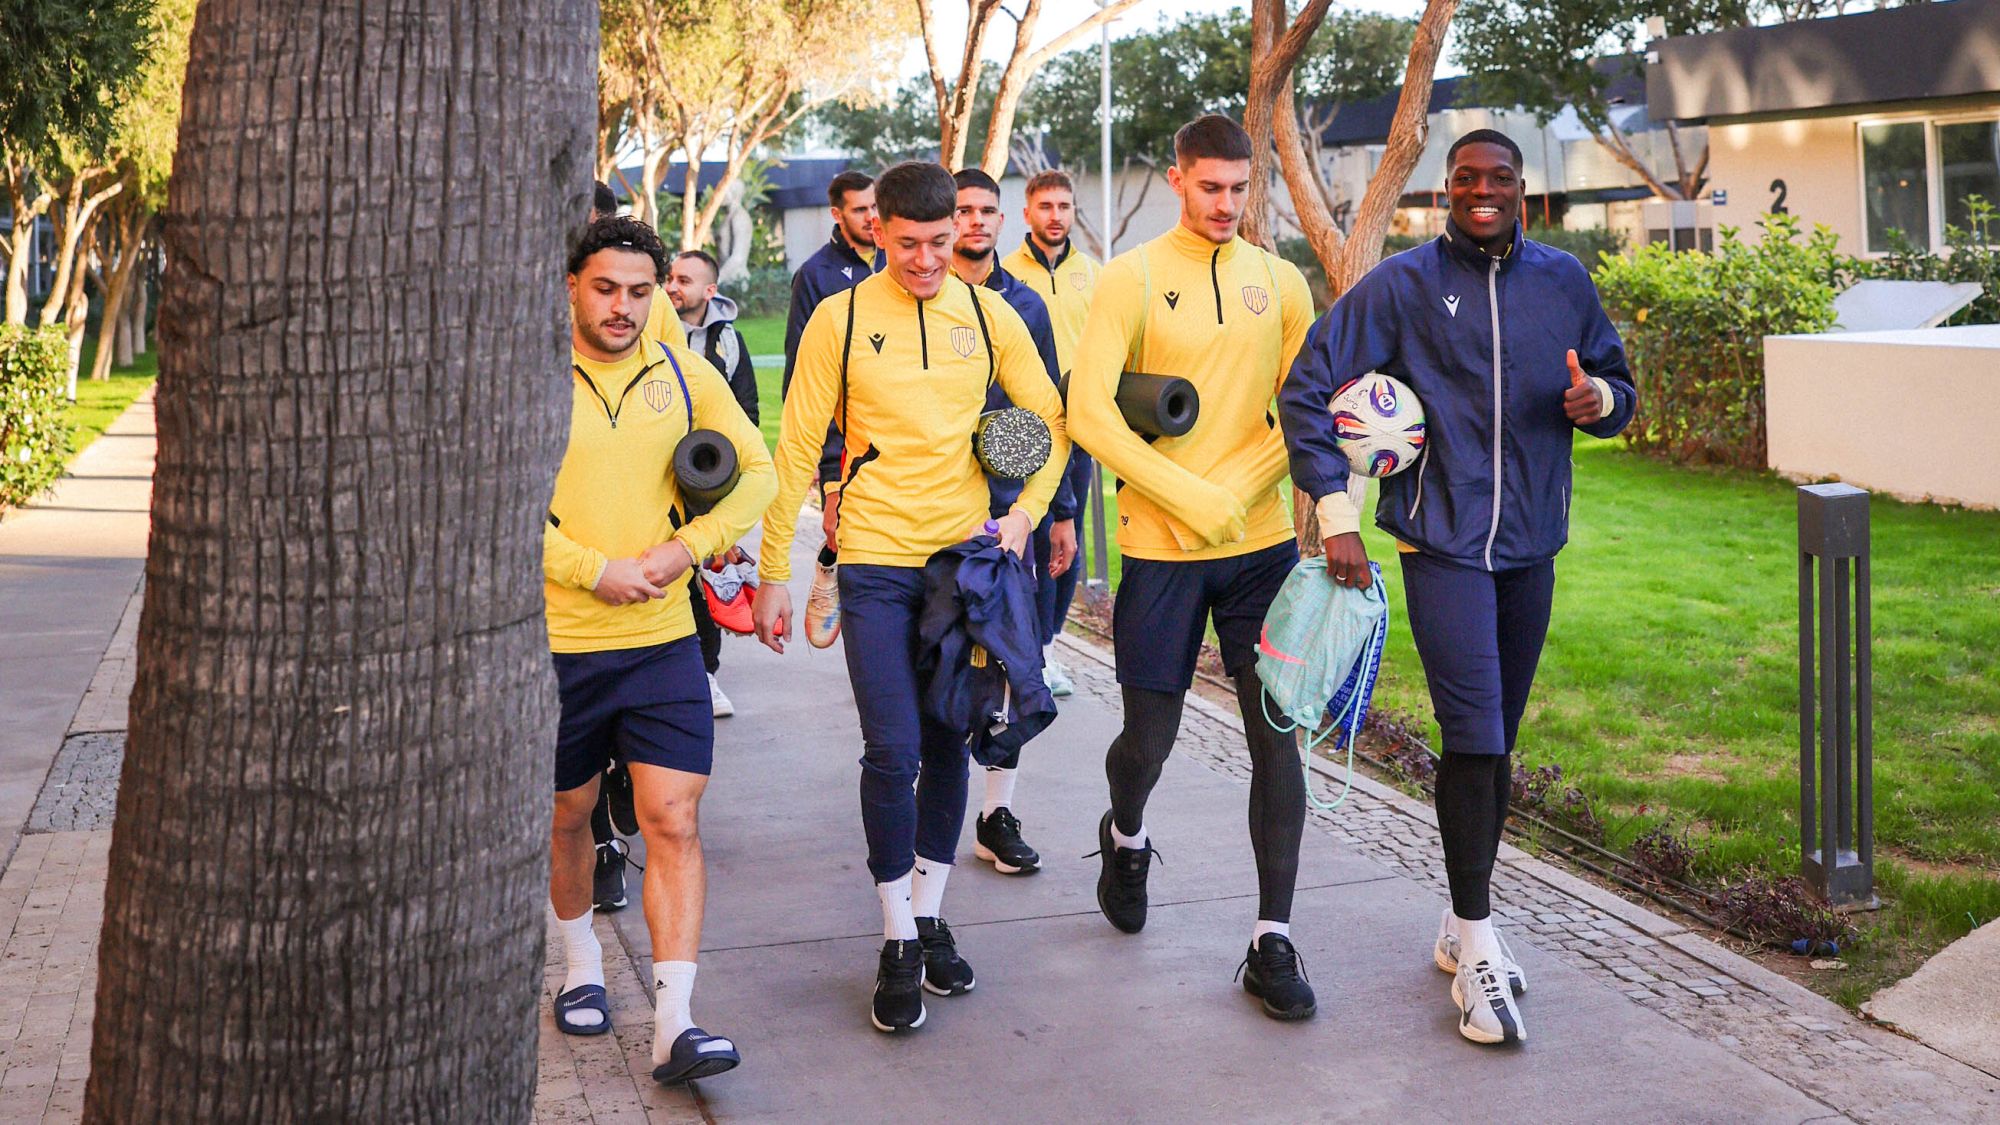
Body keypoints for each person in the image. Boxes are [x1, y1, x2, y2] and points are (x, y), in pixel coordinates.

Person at [1276, 128, 1637, 1045]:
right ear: (1446, 190)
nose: (1483, 190)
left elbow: (1619, 389)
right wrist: (1336, 511)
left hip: (1531, 548)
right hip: (1441, 547)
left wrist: (1598, 400)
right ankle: (1477, 944)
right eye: (1466, 178)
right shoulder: (1402, 284)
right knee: (1473, 735)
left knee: (1496, 741)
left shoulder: (1563, 281)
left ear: (1522, 190)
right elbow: (1307, 385)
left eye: (1499, 177)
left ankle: (1457, 915)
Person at [751, 161, 1069, 1034]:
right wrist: (775, 571)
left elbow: (1053, 419)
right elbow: (795, 446)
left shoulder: (988, 314)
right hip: (875, 564)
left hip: (960, 568)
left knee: (947, 742)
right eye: (907, 244)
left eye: (939, 242)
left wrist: (1026, 515)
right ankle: (896, 935)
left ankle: (929, 916)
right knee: (891, 750)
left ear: (960, 232)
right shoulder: (843, 317)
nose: (926, 260)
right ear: (877, 232)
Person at [1065, 114, 1317, 1021]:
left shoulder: (1281, 282)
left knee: (1275, 736)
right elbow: (1088, 412)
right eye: (1210, 186)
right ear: (1177, 179)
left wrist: (1234, 493)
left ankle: (1272, 939)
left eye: (1240, 189)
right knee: (1149, 740)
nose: (1226, 204)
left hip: (1259, 551)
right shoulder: (1130, 277)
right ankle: (1126, 832)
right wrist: (1187, 498)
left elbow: (1306, 406)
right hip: (1160, 550)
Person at [544, 216, 777, 1082]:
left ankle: (675, 1023)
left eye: (641, 291)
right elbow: (495, 502)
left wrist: (687, 549)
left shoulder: (683, 372)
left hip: (661, 641)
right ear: (572, 285)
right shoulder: (531, 377)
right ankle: (581, 966)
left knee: (673, 817)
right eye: (606, 288)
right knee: (567, 814)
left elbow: (758, 471)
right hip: (557, 644)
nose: (624, 306)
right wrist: (590, 569)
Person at [948, 167, 1072, 876]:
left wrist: (1060, 512)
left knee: (1010, 663)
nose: (975, 221)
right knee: (939, 665)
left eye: (986, 210)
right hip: (932, 515)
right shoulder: (913, 300)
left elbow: (1052, 417)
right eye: (963, 209)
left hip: (1010, 516)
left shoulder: (1026, 305)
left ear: (1003, 219)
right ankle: (929, 802)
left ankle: (996, 814)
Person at [1001, 169, 1102, 697]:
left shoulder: (1094, 275)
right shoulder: (1006, 276)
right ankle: (1023, 650)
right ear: (1027, 213)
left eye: (1064, 206)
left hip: (1079, 425)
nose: (1055, 215)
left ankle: (1047, 644)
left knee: (1066, 537)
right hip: (1022, 428)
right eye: (1045, 206)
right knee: (1029, 537)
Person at [783, 169, 885, 650]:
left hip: (900, 435)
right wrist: (824, 470)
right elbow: (799, 378)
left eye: (876, 206)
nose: (871, 217)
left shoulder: (902, 261)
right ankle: (831, 570)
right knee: (843, 530)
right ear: (837, 215)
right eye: (860, 209)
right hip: (843, 443)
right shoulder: (816, 275)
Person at [658, 248, 760, 720]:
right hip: (658, 473)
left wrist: (727, 478)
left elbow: (747, 411)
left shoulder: (728, 341)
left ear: (710, 290)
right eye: (670, 278)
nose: (673, 287)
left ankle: (706, 673)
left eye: (684, 280)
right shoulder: (653, 329)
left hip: (709, 477)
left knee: (706, 575)